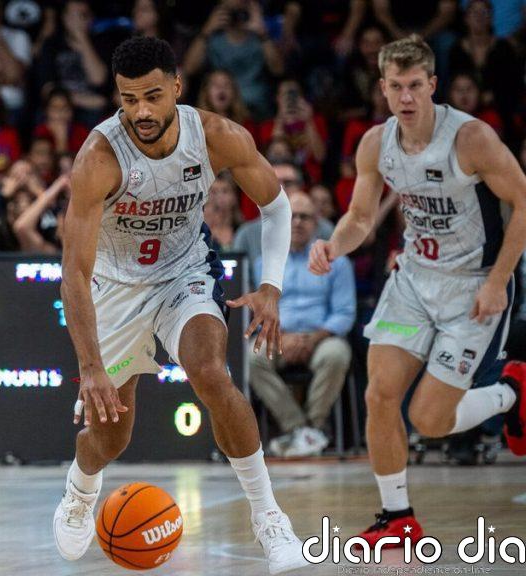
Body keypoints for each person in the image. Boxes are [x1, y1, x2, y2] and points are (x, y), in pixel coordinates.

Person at [54, 36, 306, 574]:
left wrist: (272, 286)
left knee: (212, 374)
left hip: (184, 272)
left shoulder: (216, 136)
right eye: (128, 100)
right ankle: (80, 488)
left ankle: (269, 516)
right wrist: (90, 366)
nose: (141, 112)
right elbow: (73, 274)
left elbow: (277, 206)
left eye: (152, 96)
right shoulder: (98, 159)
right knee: (111, 437)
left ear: (176, 87)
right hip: (114, 286)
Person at [308, 35, 526, 548]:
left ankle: (512, 390)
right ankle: (396, 517)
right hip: (413, 282)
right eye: (395, 87)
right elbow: (361, 217)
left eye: (415, 86)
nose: (405, 98)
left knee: (430, 420)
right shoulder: (374, 144)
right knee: (379, 393)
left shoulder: (471, 140)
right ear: (382, 89)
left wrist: (498, 282)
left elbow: (522, 202)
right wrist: (333, 247)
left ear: (432, 85)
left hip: (474, 285)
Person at [249, 191, 355, 458]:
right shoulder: (265, 262)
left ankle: (313, 427)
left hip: (321, 337)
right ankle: (300, 430)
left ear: (316, 222)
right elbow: (257, 311)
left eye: (305, 217)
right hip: (278, 336)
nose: (297, 222)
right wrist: (282, 337)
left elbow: (345, 313)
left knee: (337, 354)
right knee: (251, 360)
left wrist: (312, 339)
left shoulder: (337, 261)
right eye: (292, 216)